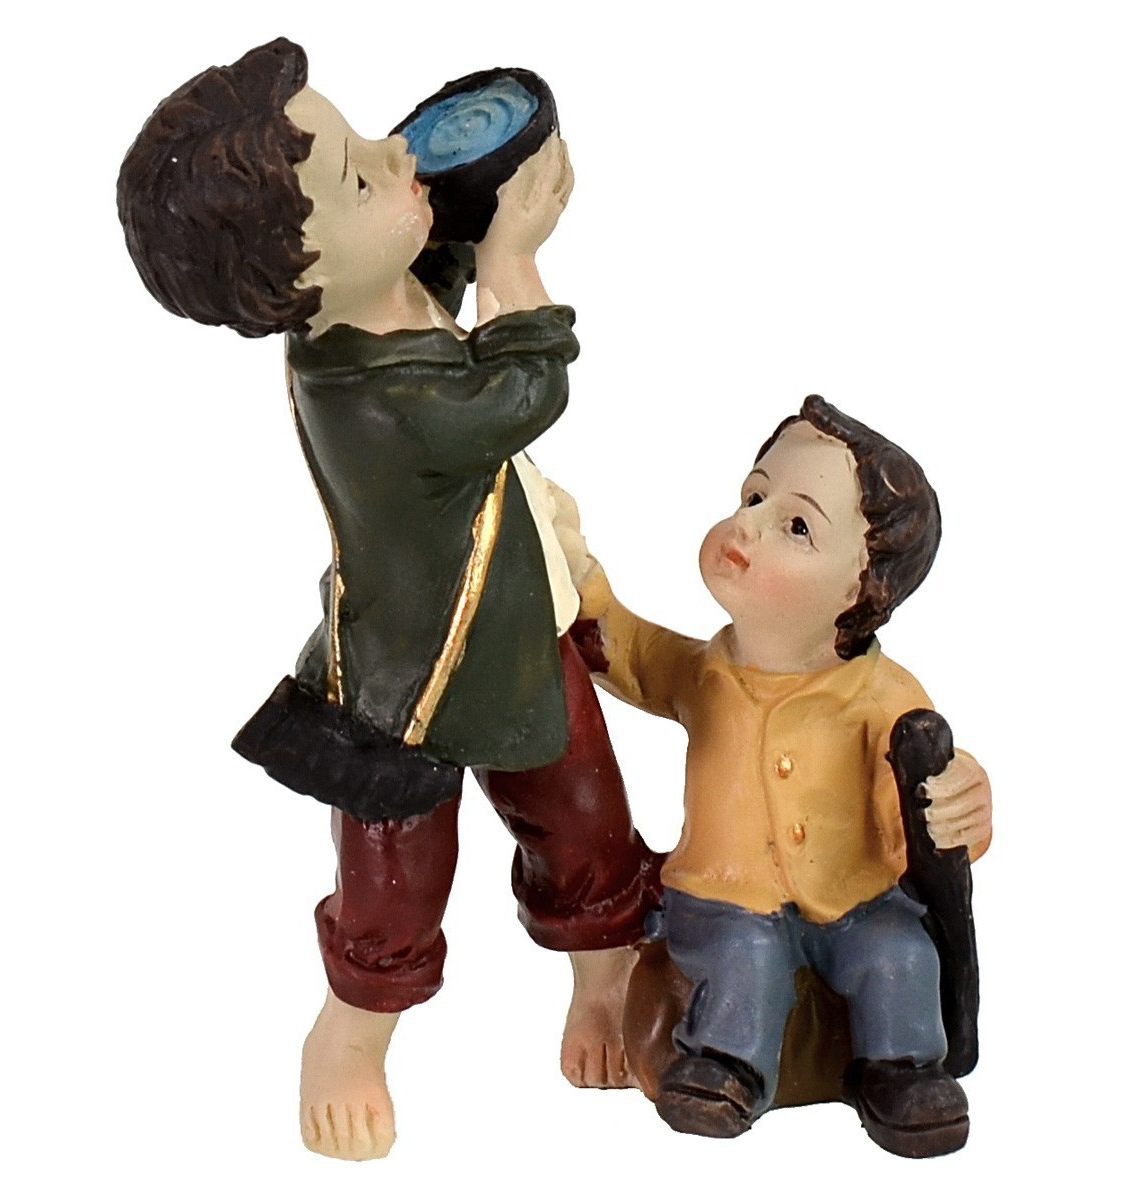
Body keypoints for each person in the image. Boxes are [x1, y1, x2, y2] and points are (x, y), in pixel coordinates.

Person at [117, 38, 660, 1161]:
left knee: (585, 818)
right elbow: (521, 387)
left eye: (368, 139)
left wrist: (474, 203)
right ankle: (349, 1038)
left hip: (519, 634)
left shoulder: (370, 301)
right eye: (360, 180)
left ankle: (605, 982)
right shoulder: (374, 396)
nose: (396, 159)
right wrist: (516, 258)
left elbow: (429, 278)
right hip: (409, 690)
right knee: (394, 884)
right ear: (299, 278)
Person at [551, 395, 992, 1157]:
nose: (747, 525)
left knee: (899, 955)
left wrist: (964, 799)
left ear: (861, 589)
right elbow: (626, 648)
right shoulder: (704, 672)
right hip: (726, 899)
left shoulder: (884, 696)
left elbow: (924, 790)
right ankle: (726, 1068)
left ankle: (901, 1073)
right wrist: (579, 576)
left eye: (796, 526)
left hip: (855, 900)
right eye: (753, 497)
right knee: (743, 958)